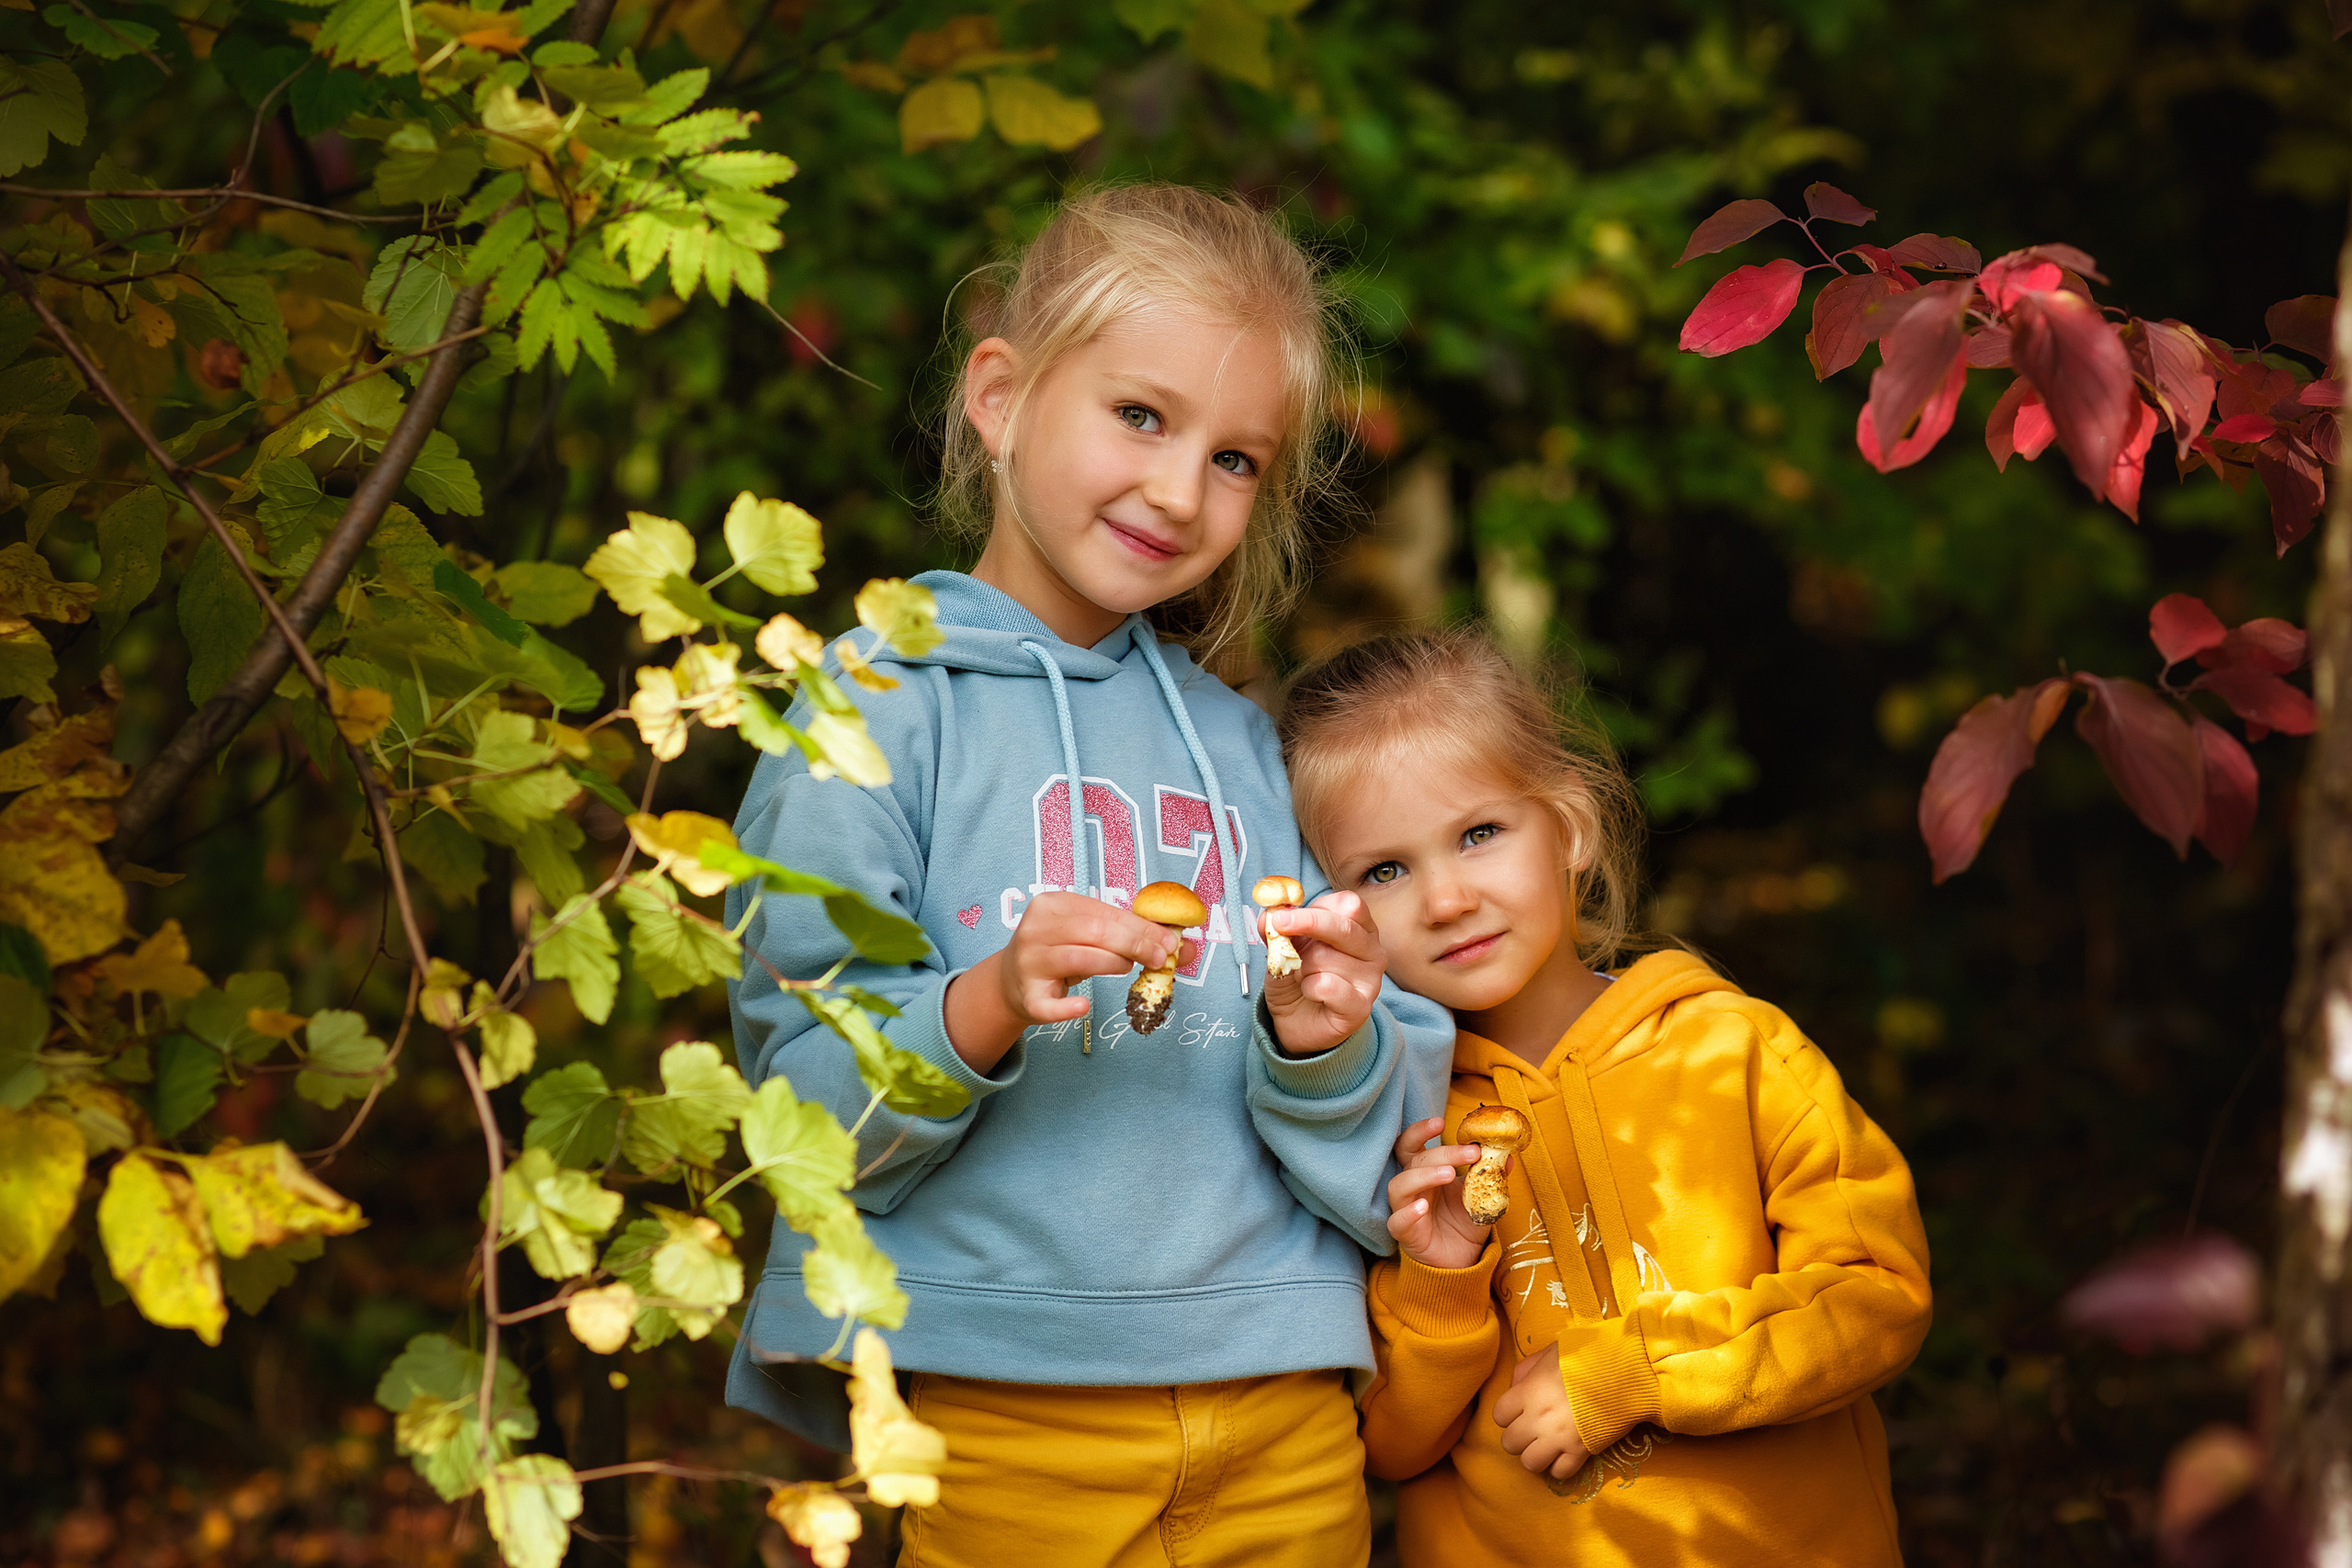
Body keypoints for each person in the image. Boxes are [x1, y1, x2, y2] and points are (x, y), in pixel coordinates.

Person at [721, 185, 1453, 1567]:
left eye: (1238, 458)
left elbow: (1383, 1135)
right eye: (1142, 415)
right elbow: (795, 1109)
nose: (1182, 491)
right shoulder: (876, 705)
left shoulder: (1244, 745)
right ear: (999, 396)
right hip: (1004, 1407)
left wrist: (1329, 1037)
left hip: (1285, 1401)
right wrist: (985, 1000)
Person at [1279, 630, 1932, 1567]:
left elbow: (1878, 1298)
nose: (1446, 899)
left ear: (1571, 825)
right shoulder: (1390, 1121)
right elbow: (1388, 1444)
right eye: (1383, 871)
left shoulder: (1733, 1049)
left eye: (1477, 834)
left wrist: (1635, 1373)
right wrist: (1444, 1280)